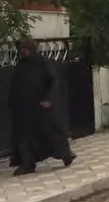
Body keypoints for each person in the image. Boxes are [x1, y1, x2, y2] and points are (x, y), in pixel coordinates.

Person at [8, 38, 75, 176]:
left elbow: (53, 82)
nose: (23, 51)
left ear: (31, 49)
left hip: (40, 106)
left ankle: (65, 154)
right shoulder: (22, 65)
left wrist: (49, 99)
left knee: (51, 133)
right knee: (24, 138)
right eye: (21, 49)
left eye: (25, 48)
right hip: (24, 109)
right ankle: (27, 164)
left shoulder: (43, 63)